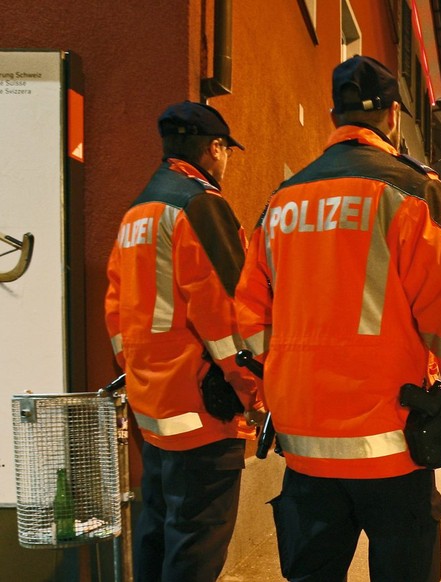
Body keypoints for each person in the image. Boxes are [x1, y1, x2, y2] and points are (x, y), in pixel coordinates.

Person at [235, 55, 441, 581]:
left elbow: (248, 318)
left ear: (334, 115)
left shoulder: (281, 203)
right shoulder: (411, 192)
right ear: (394, 116)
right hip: (393, 450)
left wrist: (281, 385)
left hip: (306, 453)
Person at [104, 101, 264, 582]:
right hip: (202, 411)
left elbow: (116, 312)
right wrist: (254, 392)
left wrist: (140, 377)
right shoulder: (200, 206)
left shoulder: (138, 212)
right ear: (214, 149)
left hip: (152, 408)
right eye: (226, 150)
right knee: (197, 543)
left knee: (157, 527)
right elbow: (230, 319)